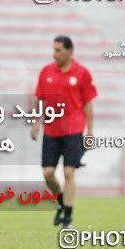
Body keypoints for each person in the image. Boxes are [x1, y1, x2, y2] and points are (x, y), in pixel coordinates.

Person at [31, 35, 97, 229]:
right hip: (51, 129)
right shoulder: (46, 71)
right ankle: (61, 201)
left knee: (69, 172)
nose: (54, 54)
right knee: (48, 173)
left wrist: (90, 133)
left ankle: (67, 219)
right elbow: (39, 99)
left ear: (70, 51)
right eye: (54, 49)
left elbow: (88, 105)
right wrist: (36, 123)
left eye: (58, 50)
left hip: (74, 129)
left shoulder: (82, 73)